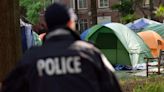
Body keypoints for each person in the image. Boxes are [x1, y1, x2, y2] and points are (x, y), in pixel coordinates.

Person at [1, 3, 122, 92]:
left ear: (47, 25)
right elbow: (113, 87)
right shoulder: (90, 53)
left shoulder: (31, 58)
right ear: (70, 23)